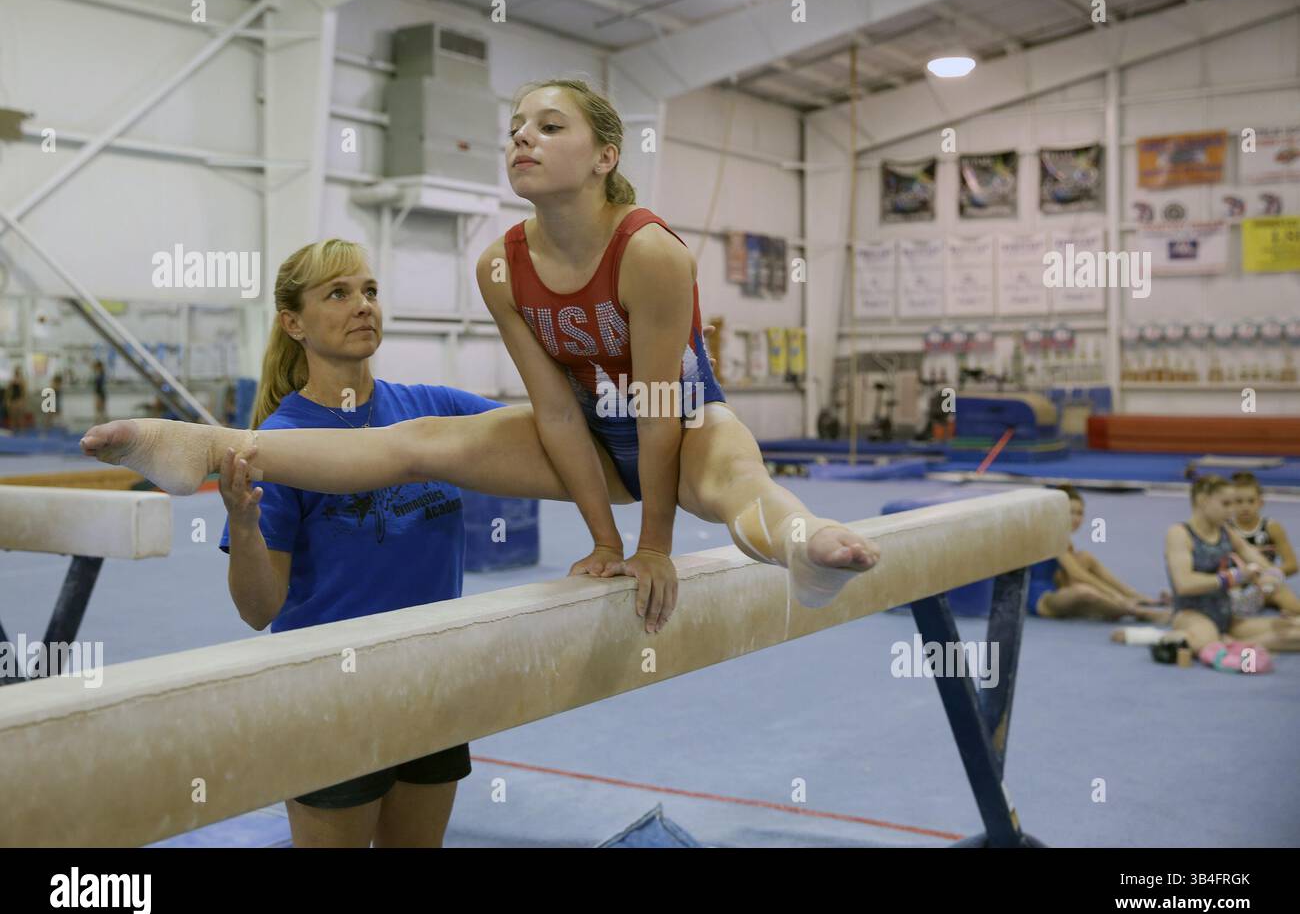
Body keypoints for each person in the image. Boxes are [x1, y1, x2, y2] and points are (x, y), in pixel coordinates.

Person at [79, 78, 881, 633]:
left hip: (685, 423)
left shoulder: (650, 252)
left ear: (606, 155)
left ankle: (805, 544)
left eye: (549, 125)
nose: (522, 137)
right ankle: (210, 447)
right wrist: (605, 540)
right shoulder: (500, 265)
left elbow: (662, 405)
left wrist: (653, 548)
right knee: (416, 444)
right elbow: (559, 409)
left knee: (739, 483)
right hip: (589, 445)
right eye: (515, 128)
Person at [219, 239, 505, 847]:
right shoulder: (281, 442)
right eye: (339, 294)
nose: (363, 306)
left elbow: (548, 433)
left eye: (370, 291)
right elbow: (258, 609)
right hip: (330, 694)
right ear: (293, 323)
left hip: (432, 678)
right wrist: (243, 526)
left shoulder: (431, 411)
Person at [1157, 475, 1300, 673]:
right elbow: (1184, 584)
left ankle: (1229, 644)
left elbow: (1255, 558)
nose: (1232, 511)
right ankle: (1168, 640)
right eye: (1226, 504)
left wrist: (1272, 574)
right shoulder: (1179, 533)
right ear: (1202, 501)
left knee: (1294, 629)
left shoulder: (1224, 530)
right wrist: (1233, 577)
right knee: (1207, 637)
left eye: (1233, 504)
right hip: (1193, 615)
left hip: (1225, 616)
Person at [1029, 484, 1169, 623]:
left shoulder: (1064, 539)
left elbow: (1064, 575)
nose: (1076, 518)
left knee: (1085, 557)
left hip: (1055, 590)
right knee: (1083, 591)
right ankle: (1140, 612)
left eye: (1080, 513)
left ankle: (1134, 595)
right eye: (1070, 512)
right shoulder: (1054, 537)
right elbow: (1076, 574)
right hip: (1042, 600)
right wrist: (1113, 595)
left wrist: (1122, 594)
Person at [1230, 471, 1297, 617]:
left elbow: (1292, 564)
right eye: (1239, 501)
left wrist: (1272, 573)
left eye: (1250, 501)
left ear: (1260, 502)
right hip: (1235, 587)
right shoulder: (1226, 529)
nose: (1245, 507)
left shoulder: (1272, 528)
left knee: (1288, 600)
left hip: (1266, 586)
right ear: (1229, 503)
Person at [5, 365, 27, 433]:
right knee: (13, 416)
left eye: (18, 371)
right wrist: (8, 400)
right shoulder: (12, 380)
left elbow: (24, 392)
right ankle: (13, 430)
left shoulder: (22, 380)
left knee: (20, 416)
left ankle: (22, 430)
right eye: (16, 371)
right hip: (13, 399)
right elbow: (8, 391)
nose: (17, 372)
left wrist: (23, 400)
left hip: (19, 399)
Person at [92, 359, 107, 425]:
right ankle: (99, 423)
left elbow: (99, 385)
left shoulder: (101, 374)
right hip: (99, 393)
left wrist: (97, 395)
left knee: (100, 410)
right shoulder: (99, 373)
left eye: (96, 367)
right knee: (100, 409)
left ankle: (100, 423)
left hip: (100, 393)